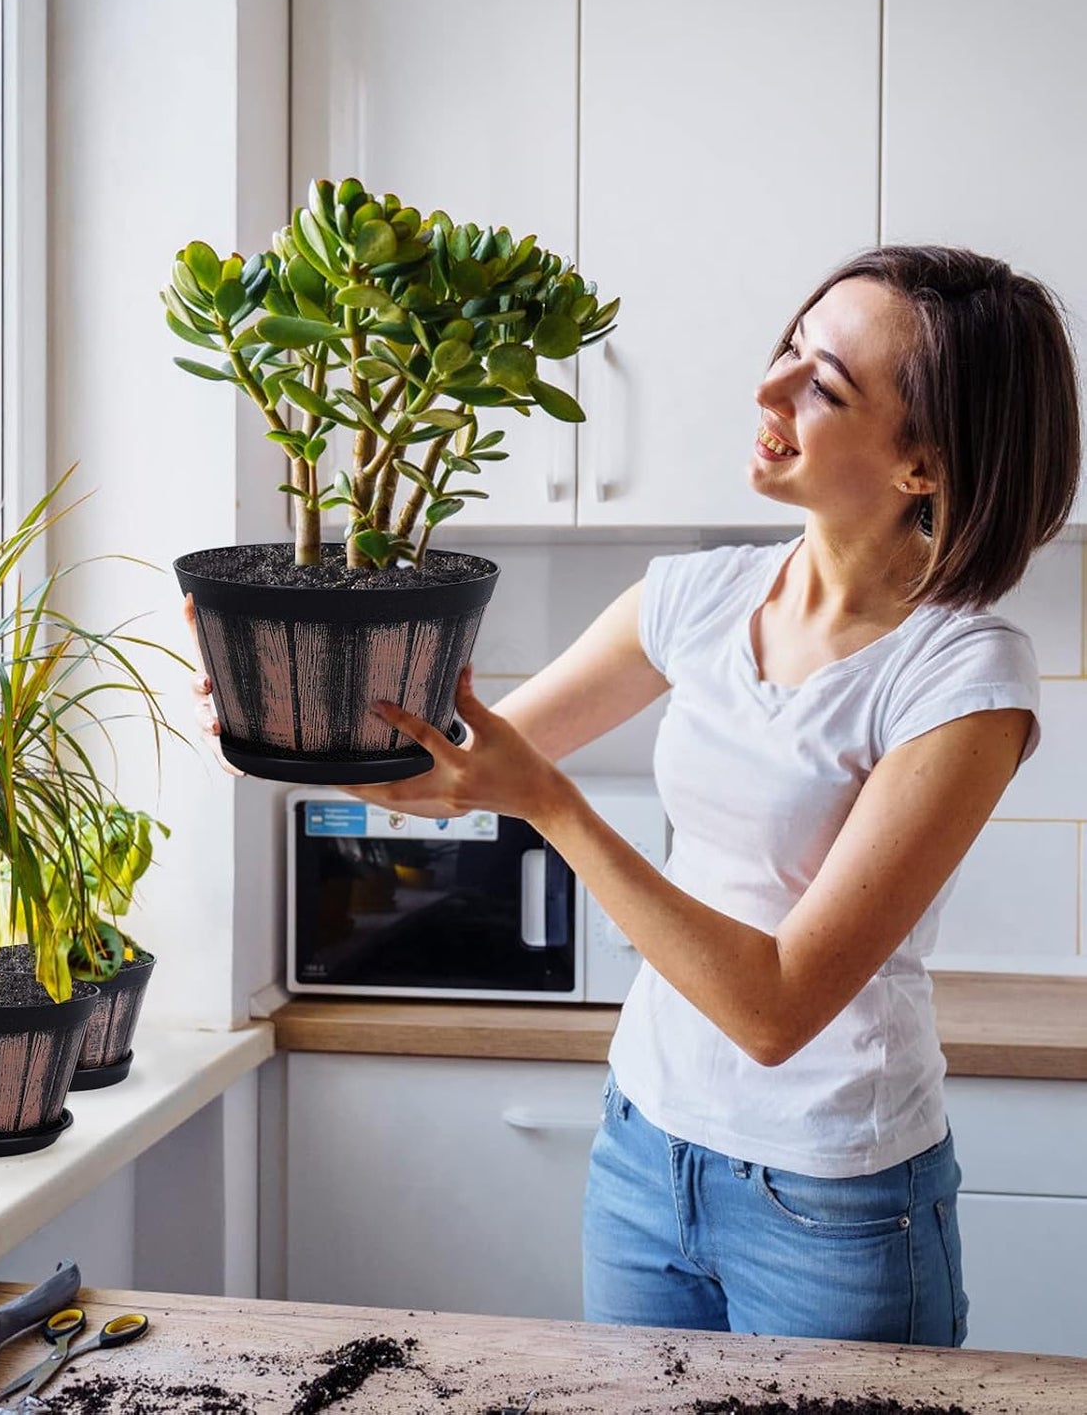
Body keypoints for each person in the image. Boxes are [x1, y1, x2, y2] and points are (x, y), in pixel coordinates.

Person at [186, 245, 1081, 1346]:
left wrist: (552, 806)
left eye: (824, 386)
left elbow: (776, 1007)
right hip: (643, 1148)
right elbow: (448, 765)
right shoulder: (697, 596)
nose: (766, 391)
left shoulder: (962, 675)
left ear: (923, 465)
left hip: (833, 1198)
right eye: (789, 349)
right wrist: (274, 715)